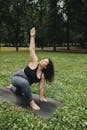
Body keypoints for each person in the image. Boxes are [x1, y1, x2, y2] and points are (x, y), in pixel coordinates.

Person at [9, 27, 54, 110]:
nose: (43, 60)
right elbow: (32, 49)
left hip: (24, 84)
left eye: (45, 61)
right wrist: (32, 37)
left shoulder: (42, 75)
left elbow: (41, 87)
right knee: (25, 83)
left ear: (46, 66)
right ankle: (31, 103)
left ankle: (12, 87)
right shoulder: (35, 61)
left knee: (17, 92)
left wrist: (41, 97)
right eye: (44, 59)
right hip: (17, 76)